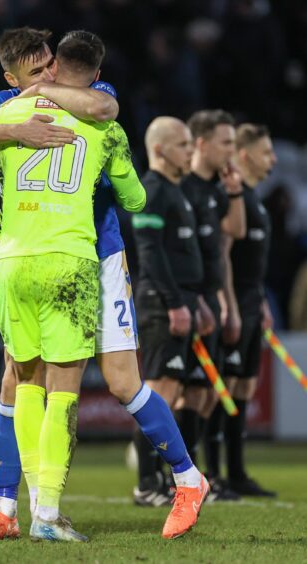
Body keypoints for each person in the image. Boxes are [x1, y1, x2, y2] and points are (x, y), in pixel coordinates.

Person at [0, 31, 209, 542]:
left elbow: (101, 109)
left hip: (99, 254)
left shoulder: (96, 97)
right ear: (16, 74)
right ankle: (7, 509)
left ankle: (189, 481)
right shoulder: (8, 103)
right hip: (35, 250)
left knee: (123, 381)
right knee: (16, 380)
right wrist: (15, 130)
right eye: (34, 70)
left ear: (61, 67)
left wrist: (38, 98)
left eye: (49, 67)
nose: (43, 75)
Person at [132, 117, 210, 506]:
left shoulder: (175, 191)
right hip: (163, 303)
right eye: (182, 145)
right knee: (158, 391)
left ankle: (167, 477)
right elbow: (150, 253)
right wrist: (176, 302)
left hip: (184, 300)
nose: (190, 151)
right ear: (160, 149)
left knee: (175, 391)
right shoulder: (153, 190)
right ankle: (147, 482)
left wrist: (199, 302)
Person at [181, 110, 246, 500]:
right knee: (181, 390)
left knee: (204, 392)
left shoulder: (216, 190)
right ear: (201, 143)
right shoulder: (181, 187)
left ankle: (193, 471)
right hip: (184, 301)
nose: (231, 151)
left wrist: (235, 190)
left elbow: (229, 240)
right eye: (226, 143)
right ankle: (172, 470)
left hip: (210, 299)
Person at [221, 123, 277, 497]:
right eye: (266, 152)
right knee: (218, 390)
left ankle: (237, 472)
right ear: (245, 155)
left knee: (243, 386)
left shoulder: (254, 197)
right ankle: (210, 471)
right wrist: (228, 303)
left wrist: (260, 301)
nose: (272, 159)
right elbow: (223, 254)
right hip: (234, 303)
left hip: (251, 301)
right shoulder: (232, 196)